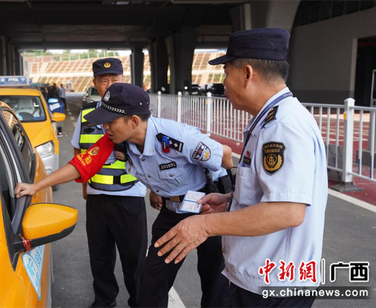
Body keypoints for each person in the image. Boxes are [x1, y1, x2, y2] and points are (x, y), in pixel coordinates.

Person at [15, 83, 233, 308]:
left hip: (209, 208)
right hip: (172, 212)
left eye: (110, 121)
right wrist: (36, 186)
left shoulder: (176, 137)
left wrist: (229, 199)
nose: (105, 126)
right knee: (150, 283)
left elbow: (225, 157)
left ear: (134, 121)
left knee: (215, 282)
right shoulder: (115, 142)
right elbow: (81, 166)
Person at [154, 28, 328, 308]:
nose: (223, 82)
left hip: (271, 287)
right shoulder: (272, 120)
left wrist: (205, 225)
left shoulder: (282, 126)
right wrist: (229, 202)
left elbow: (287, 210)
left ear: (247, 74)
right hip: (259, 279)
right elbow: (270, 194)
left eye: (225, 72)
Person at [70, 58, 148, 308]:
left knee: (134, 258)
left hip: (130, 197)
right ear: (95, 84)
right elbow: (77, 151)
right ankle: (104, 300)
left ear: (123, 80)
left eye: (115, 80)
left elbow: (152, 153)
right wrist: (84, 184)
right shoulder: (86, 114)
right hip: (97, 196)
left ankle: (139, 301)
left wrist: (156, 189)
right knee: (100, 256)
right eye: (104, 81)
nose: (110, 85)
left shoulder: (136, 114)